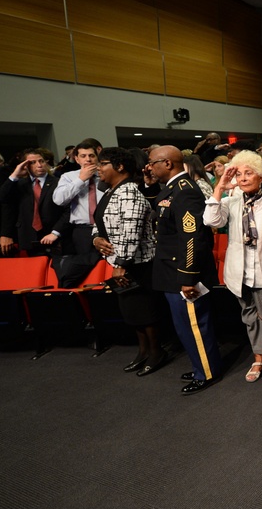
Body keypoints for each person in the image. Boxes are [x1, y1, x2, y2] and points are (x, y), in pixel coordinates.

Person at [203, 150, 262, 383]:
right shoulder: (230, 202)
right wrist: (220, 186)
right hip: (240, 272)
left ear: (260, 176)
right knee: (249, 317)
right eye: (239, 174)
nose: (243, 178)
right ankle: (258, 358)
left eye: (248, 173)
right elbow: (211, 220)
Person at [148, 145, 224, 394]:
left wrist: (188, 277)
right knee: (184, 327)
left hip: (183, 273)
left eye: (152, 162)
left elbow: (192, 239)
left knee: (194, 326)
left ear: (168, 163)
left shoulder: (185, 192)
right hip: (172, 271)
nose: (149, 167)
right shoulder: (172, 189)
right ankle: (201, 365)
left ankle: (207, 372)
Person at [91, 147, 165, 376]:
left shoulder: (130, 193)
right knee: (132, 314)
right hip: (121, 263)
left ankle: (156, 352)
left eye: (103, 164)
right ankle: (143, 352)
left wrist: (122, 264)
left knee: (145, 312)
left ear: (120, 166)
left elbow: (130, 233)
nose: (98, 168)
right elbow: (101, 222)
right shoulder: (112, 192)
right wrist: (95, 238)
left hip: (137, 264)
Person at [0, 148, 67, 256]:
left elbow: (67, 211)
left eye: (41, 161)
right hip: (29, 237)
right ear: (25, 165)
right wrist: (15, 174)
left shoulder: (58, 182)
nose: (39, 165)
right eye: (33, 162)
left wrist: (56, 232)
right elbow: (2, 197)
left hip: (54, 237)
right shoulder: (19, 184)